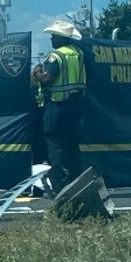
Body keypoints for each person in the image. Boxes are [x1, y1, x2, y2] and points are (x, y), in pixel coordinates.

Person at [32, 20, 87, 194]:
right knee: (72, 144)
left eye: (55, 36)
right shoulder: (78, 53)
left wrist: (37, 72)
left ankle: (60, 186)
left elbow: (47, 78)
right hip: (76, 104)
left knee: (55, 144)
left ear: (63, 38)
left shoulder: (56, 56)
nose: (52, 39)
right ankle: (78, 182)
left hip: (57, 105)